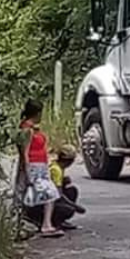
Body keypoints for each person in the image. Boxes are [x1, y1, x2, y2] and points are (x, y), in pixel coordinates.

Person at [18, 99, 64, 238]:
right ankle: (46, 224)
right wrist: (27, 172)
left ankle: (34, 223)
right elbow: (24, 152)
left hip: (40, 166)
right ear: (37, 113)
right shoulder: (26, 130)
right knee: (49, 193)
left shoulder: (32, 128)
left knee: (37, 194)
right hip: (33, 166)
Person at [45, 145, 87, 230]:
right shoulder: (56, 170)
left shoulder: (57, 166)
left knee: (72, 190)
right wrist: (75, 206)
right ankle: (56, 222)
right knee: (69, 210)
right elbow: (58, 195)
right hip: (48, 201)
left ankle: (60, 220)